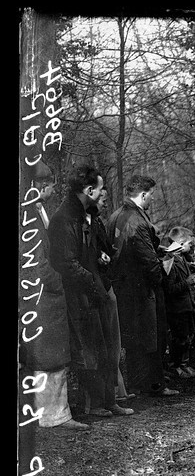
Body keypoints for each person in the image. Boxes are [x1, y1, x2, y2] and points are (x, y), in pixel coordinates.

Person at [49, 165, 134, 417]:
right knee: (90, 350)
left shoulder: (91, 215)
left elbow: (97, 250)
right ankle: (95, 404)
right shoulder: (63, 219)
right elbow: (66, 263)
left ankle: (110, 401)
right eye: (99, 189)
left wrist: (103, 258)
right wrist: (94, 283)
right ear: (88, 190)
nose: (102, 193)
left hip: (99, 289)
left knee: (109, 346)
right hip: (82, 295)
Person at [20, 162, 89, 430]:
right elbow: (36, 263)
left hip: (42, 297)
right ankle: (53, 416)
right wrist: (58, 281)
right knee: (49, 357)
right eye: (50, 185)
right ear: (40, 186)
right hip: (44, 298)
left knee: (48, 355)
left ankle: (51, 414)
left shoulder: (35, 212)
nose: (53, 189)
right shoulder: (30, 217)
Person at [107, 174, 178, 397]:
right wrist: (163, 273)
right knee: (153, 336)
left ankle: (137, 385)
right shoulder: (137, 221)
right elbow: (149, 262)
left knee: (133, 338)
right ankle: (155, 385)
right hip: (144, 291)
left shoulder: (115, 216)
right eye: (152, 195)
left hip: (123, 288)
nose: (153, 200)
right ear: (144, 194)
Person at [90, 186, 134, 406]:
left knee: (114, 343)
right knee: (108, 343)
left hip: (107, 283)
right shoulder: (88, 222)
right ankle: (111, 396)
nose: (105, 204)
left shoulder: (98, 221)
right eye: (102, 200)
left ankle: (118, 392)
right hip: (99, 286)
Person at [160, 227, 195, 378]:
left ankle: (184, 365)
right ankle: (176, 366)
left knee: (188, 337)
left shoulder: (181, 258)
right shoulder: (169, 261)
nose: (192, 247)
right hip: (177, 308)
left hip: (187, 305)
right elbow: (169, 289)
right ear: (181, 243)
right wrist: (187, 282)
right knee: (179, 339)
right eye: (190, 244)